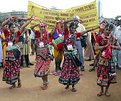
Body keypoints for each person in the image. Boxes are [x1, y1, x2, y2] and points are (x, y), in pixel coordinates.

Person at [59, 19, 99, 92]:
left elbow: (86, 31)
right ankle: (68, 84)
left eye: (74, 28)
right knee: (67, 70)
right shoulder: (66, 33)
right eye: (72, 28)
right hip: (67, 57)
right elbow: (64, 22)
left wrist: (95, 28)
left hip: (73, 56)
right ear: (69, 28)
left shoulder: (76, 35)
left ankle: (73, 86)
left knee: (73, 70)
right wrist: (74, 19)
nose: (73, 29)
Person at [2, 16, 33, 89]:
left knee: (16, 68)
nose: (14, 28)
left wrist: (30, 20)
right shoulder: (6, 33)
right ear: (9, 28)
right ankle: (13, 83)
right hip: (8, 54)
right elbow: (3, 25)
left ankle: (18, 80)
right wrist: (8, 19)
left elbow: (23, 26)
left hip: (16, 53)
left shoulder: (17, 34)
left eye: (15, 27)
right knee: (10, 68)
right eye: (12, 27)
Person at [95, 23, 120, 97]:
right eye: (107, 29)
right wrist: (105, 46)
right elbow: (96, 47)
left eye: (110, 30)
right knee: (100, 76)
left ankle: (106, 91)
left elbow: (119, 47)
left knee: (109, 76)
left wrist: (111, 46)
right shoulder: (99, 37)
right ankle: (101, 90)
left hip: (110, 60)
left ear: (111, 31)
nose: (108, 31)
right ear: (104, 29)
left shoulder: (113, 38)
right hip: (102, 60)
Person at [31, 22, 51, 90]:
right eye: (41, 27)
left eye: (43, 27)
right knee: (41, 70)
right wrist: (37, 24)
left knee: (44, 70)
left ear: (45, 27)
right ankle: (45, 82)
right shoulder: (37, 33)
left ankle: (45, 83)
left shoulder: (47, 34)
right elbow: (31, 27)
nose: (42, 28)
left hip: (46, 55)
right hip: (39, 55)